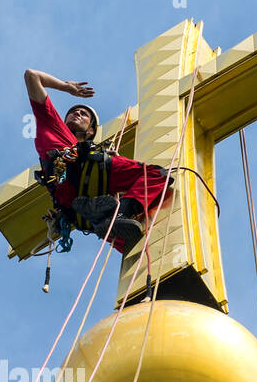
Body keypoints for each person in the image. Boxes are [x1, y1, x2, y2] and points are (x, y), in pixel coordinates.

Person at [24, 68, 172, 254]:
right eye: (73, 112)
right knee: (151, 176)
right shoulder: (53, 125)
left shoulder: (96, 156)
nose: (77, 113)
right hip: (73, 182)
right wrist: (66, 86)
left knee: (136, 245)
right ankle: (117, 214)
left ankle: (114, 216)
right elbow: (31, 75)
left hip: (89, 184)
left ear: (91, 131)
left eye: (84, 114)